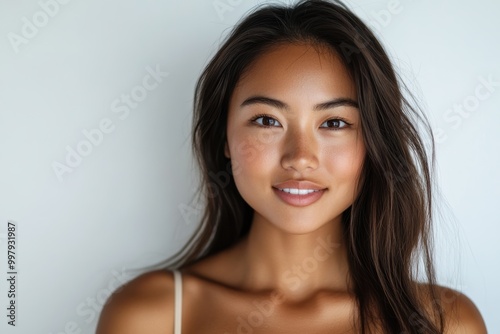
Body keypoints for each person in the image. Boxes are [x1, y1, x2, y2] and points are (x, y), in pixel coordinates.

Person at [96, 0, 487, 333]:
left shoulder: (445, 323)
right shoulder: (151, 316)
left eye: (334, 123)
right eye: (267, 121)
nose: (300, 157)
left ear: (373, 143)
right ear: (224, 138)